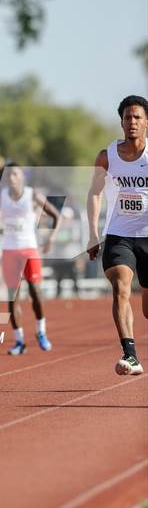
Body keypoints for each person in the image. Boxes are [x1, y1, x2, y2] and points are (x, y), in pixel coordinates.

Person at [87, 95, 148, 376]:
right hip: (119, 234)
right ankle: (131, 354)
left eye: (137, 117)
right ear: (121, 122)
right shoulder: (107, 156)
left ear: (146, 121)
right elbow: (95, 194)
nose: (132, 122)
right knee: (121, 287)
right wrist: (92, 233)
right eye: (127, 118)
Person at [0, 163, 60, 355]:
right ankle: (19, 341)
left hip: (29, 250)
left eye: (14, 174)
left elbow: (56, 215)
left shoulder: (32, 195)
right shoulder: (2, 196)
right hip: (9, 251)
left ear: (21, 177)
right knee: (12, 298)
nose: (11, 177)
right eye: (8, 174)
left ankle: (41, 332)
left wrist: (51, 238)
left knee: (35, 291)